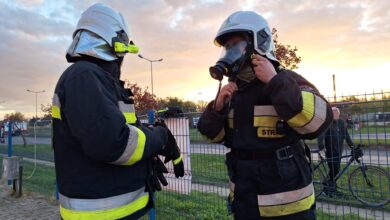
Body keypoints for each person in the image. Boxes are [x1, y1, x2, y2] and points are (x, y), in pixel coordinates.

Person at [52, 3, 184, 220]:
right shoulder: (83, 76)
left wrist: (146, 155)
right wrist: (159, 138)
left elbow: (123, 131)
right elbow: (115, 143)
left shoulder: (100, 82)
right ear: (114, 45)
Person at [197, 11, 333, 219]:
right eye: (228, 46)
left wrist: (274, 81)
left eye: (237, 44)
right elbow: (211, 134)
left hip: (289, 207)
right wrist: (216, 109)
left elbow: (316, 123)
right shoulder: (233, 91)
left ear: (257, 42)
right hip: (245, 202)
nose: (230, 51)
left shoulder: (287, 80)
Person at [318, 107, 354, 197]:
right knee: (335, 169)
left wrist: (353, 147)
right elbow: (321, 136)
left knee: (335, 170)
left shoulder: (341, 123)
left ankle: (330, 186)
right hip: (330, 151)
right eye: (333, 113)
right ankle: (327, 187)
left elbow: (347, 136)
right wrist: (321, 147)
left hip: (339, 150)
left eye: (336, 113)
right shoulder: (327, 123)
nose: (335, 114)